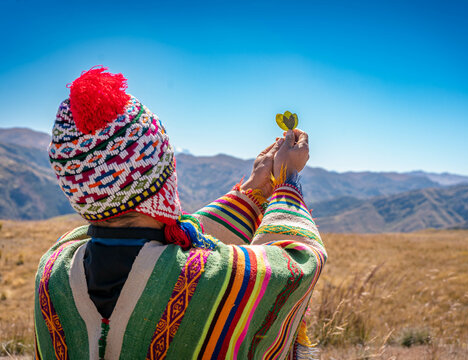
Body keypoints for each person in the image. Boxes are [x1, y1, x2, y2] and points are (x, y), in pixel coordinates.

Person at [34, 66, 326, 360]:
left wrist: (251, 189)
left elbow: (178, 237)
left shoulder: (54, 270)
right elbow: (297, 263)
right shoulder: (209, 280)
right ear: (162, 176)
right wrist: (287, 183)